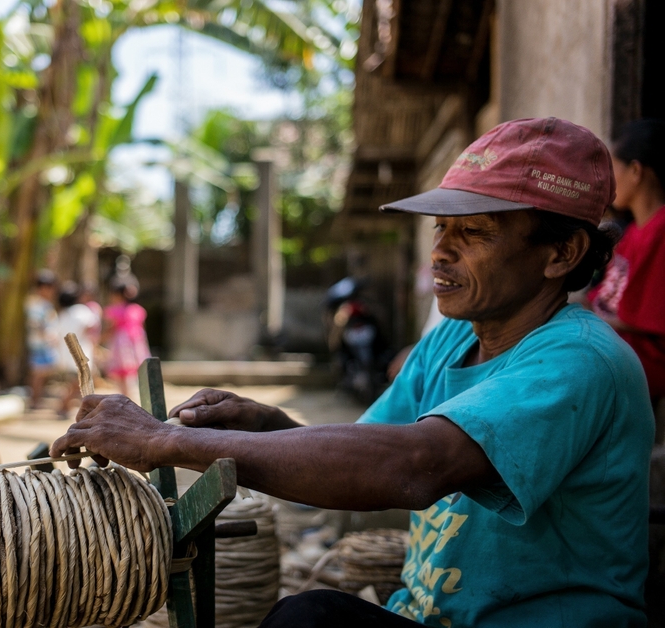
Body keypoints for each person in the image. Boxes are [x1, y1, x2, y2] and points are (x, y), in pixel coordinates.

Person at [52, 118, 655, 626]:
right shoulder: (452, 337)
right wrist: (266, 425)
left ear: (561, 254)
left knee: (307, 620)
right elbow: (372, 451)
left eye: (474, 232)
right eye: (441, 228)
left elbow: (411, 467)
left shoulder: (580, 362)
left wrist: (166, 442)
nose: (441, 251)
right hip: (425, 617)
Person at [589, 119, 665, 413]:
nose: (609, 181)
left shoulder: (661, 230)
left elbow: (650, 321)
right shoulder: (631, 234)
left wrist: (592, 321)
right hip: (613, 338)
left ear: (635, 171)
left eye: (614, 169)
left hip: (646, 356)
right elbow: (606, 299)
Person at [54, 281, 101, 417]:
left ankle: (68, 406)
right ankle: (64, 405)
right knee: (80, 383)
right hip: (81, 353)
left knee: (77, 383)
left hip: (66, 354)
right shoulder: (82, 311)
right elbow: (92, 325)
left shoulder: (63, 314)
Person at [101, 275, 151, 397]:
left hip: (121, 347)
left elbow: (111, 329)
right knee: (131, 376)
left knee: (122, 377)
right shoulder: (138, 310)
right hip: (136, 346)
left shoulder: (113, 310)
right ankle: (129, 397)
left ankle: (126, 397)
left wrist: (100, 340)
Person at [25, 270, 58, 409]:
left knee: (41, 373)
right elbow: (37, 325)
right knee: (38, 373)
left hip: (43, 343)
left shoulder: (43, 304)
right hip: (39, 344)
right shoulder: (37, 305)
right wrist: (48, 336)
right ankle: (34, 400)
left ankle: (36, 398)